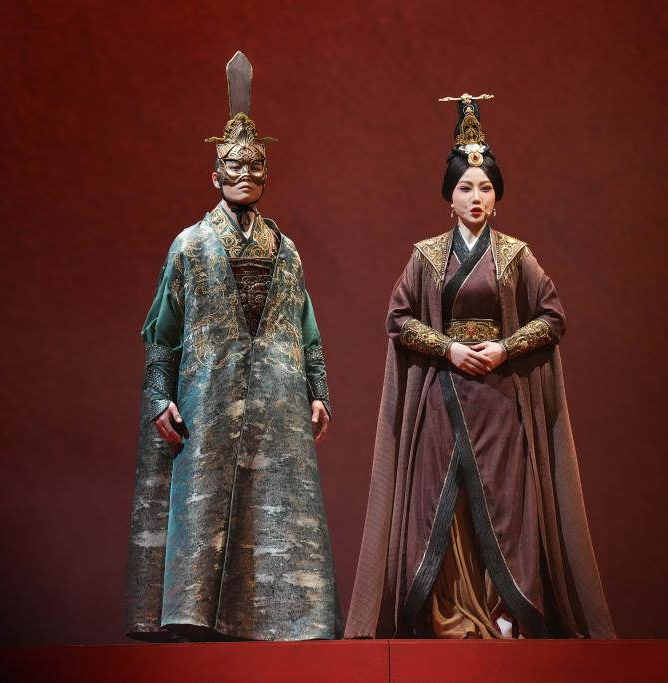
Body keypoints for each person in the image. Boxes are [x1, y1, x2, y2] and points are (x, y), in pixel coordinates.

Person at [344, 94, 615, 639]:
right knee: (440, 506)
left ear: (497, 197)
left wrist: (505, 348)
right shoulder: (427, 256)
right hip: (443, 396)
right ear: (450, 197)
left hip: (498, 396)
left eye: (486, 188)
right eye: (466, 188)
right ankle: (447, 612)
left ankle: (503, 610)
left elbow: (552, 317)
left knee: (505, 502)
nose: (476, 197)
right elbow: (398, 318)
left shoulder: (516, 255)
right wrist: (447, 348)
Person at [125, 52, 339, 642]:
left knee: (279, 502)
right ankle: (196, 617)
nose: (245, 173)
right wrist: (159, 398)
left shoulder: (286, 250)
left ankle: (284, 620)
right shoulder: (191, 246)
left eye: (254, 165)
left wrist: (318, 391)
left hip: (277, 399)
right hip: (209, 397)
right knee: (205, 499)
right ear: (214, 174)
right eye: (233, 165)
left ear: (267, 173)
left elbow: (306, 328)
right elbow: (162, 335)